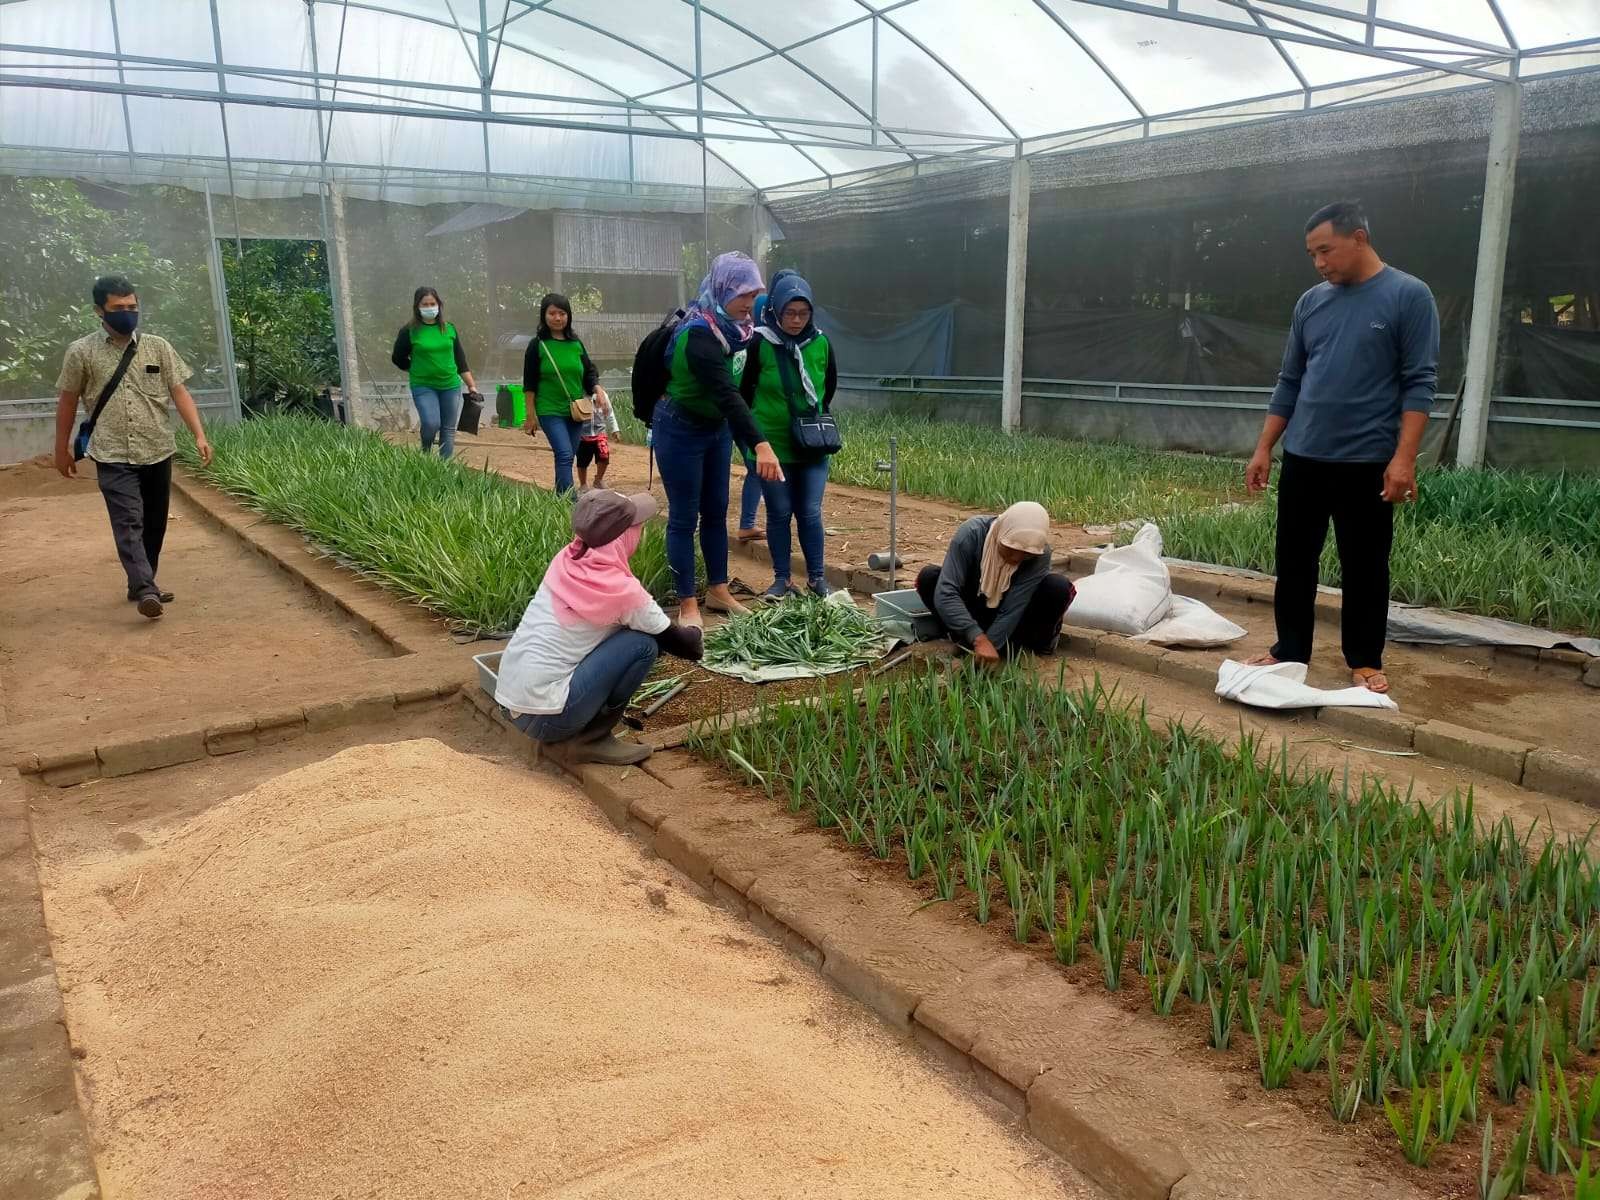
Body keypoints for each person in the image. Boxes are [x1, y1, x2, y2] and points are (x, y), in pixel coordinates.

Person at [1244, 200, 1439, 695]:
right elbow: (1290, 380)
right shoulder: (1311, 302)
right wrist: (1265, 447)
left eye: (1325, 250)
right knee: (1294, 559)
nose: (1319, 263)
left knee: (1366, 563)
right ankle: (1290, 648)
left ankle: (1365, 659)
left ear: (1359, 238)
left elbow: (1419, 384)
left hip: (1367, 461)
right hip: (1305, 457)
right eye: (1312, 254)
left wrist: (1403, 460)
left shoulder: (1408, 296)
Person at [494, 489, 703, 765]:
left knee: (633, 635)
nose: (639, 532)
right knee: (643, 645)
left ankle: (577, 730)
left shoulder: (567, 559)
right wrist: (695, 629)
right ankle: (590, 739)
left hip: (513, 701)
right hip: (549, 719)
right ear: (621, 537)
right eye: (636, 527)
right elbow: (690, 649)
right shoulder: (622, 592)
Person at [52, 274, 214, 621]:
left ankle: (141, 579)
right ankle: (145, 589)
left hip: (157, 447)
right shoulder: (81, 352)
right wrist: (61, 448)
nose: (127, 313)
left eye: (132, 307)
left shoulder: (158, 346)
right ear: (99, 310)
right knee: (129, 521)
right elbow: (67, 401)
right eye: (118, 308)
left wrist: (199, 434)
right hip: (111, 452)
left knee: (154, 523)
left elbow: (179, 391)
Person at [654, 252, 782, 627]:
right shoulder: (699, 333)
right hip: (680, 427)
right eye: (744, 293)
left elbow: (737, 391)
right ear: (724, 289)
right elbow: (728, 393)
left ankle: (718, 590)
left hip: (715, 429)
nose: (751, 302)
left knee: (715, 511)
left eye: (756, 293)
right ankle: (687, 602)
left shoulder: (739, 331)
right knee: (683, 516)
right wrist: (760, 444)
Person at [739, 269, 838, 600]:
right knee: (779, 512)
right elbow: (744, 391)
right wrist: (755, 437)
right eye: (789, 313)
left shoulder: (821, 343)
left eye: (803, 313)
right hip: (772, 447)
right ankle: (782, 579)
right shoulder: (759, 343)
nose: (796, 320)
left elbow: (829, 387)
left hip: (812, 445)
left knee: (809, 511)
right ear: (776, 310)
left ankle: (817, 578)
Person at [916, 502, 1075, 667]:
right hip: (976, 606)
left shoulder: (1039, 555)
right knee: (929, 577)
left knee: (1058, 587)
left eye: (1025, 554)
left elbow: (1013, 608)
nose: (1015, 558)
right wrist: (978, 638)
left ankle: (1027, 647)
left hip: (1013, 620)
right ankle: (963, 638)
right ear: (1001, 532)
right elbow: (946, 593)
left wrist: (990, 644)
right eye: (1010, 548)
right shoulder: (971, 534)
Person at [522, 292, 606, 495]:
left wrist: (596, 388)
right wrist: (530, 415)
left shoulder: (575, 343)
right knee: (564, 453)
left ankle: (560, 497)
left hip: (576, 410)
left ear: (568, 316)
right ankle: (570, 501)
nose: (557, 318)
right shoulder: (537, 345)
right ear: (544, 315)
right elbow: (529, 383)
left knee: (567, 455)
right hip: (549, 408)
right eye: (552, 313)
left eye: (562, 313)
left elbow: (588, 371)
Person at [390, 286, 478, 457]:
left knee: (448, 428)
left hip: (450, 385)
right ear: (417, 306)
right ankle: (425, 452)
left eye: (433, 303)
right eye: (425, 304)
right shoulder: (409, 331)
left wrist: (472, 386)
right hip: (423, 386)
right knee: (431, 423)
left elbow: (460, 360)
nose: (430, 307)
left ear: (439, 305)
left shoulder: (449, 328)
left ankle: (444, 467)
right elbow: (397, 357)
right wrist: (413, 368)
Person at [574, 389, 616, 492]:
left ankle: (599, 479)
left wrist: (615, 429)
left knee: (604, 456)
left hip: (600, 433)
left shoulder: (602, 395)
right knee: (582, 460)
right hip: (583, 434)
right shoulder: (578, 394)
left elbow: (610, 413)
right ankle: (583, 484)